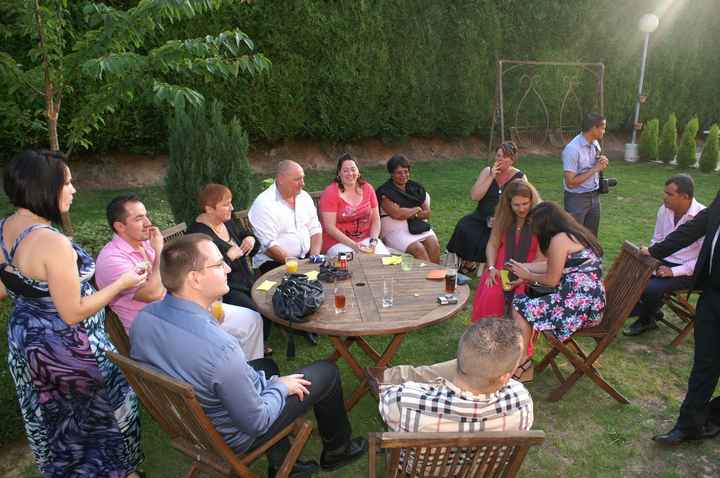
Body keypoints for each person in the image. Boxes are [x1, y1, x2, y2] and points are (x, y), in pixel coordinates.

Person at [130, 234, 367, 476]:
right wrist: (279, 387)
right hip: (235, 434)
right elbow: (257, 421)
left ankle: (284, 464)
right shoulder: (222, 349)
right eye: (218, 263)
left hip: (190, 424)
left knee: (266, 365)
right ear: (195, 279)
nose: (227, 267)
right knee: (326, 373)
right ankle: (339, 450)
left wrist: (270, 382)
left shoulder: (144, 319)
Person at [1, 150, 145, 477]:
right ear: (45, 187)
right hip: (72, 353)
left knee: (57, 423)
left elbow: (5, 285)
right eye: (68, 182)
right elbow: (72, 312)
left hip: (29, 347)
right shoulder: (52, 243)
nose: (74, 189)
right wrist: (121, 282)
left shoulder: (4, 227)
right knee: (101, 423)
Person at [98, 194, 264, 360]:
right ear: (120, 226)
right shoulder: (112, 260)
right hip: (159, 328)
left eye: (146, 215)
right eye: (139, 218)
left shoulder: (147, 243)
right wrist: (158, 251)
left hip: (184, 309)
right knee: (223, 344)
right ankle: (230, 374)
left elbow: (177, 275)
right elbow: (152, 294)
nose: (148, 223)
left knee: (251, 319)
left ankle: (249, 371)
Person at [642, 189, 720, 445]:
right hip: (712, 296)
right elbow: (695, 228)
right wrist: (655, 250)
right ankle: (689, 425)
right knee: (704, 363)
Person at [377, 317, 533, 433]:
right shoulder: (522, 403)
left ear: (458, 354)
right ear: (505, 376)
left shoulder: (403, 400)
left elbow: (386, 400)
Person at [508, 202, 606, 375]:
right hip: (589, 302)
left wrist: (527, 276)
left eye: (535, 226)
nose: (534, 231)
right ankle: (523, 358)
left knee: (519, 305)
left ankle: (523, 362)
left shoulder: (559, 240)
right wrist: (525, 267)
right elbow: (552, 265)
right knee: (525, 300)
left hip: (579, 308)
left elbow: (551, 280)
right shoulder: (573, 234)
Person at [186, 184, 267, 358]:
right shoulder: (197, 235)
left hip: (248, 280)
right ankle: (250, 347)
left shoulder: (228, 221)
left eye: (230, 202)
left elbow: (247, 235)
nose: (231, 207)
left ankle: (260, 341)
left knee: (270, 298)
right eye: (226, 204)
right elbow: (202, 272)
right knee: (257, 311)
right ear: (209, 208)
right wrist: (228, 257)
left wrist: (250, 239)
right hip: (226, 290)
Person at [624, 174, 705, 336]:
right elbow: (658, 240)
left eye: (669, 194)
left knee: (651, 288)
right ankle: (650, 311)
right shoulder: (664, 210)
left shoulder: (703, 217)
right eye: (665, 192)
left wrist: (673, 271)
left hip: (689, 270)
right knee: (630, 274)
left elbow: (704, 259)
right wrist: (652, 260)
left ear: (685, 197)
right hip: (664, 261)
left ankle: (646, 319)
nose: (664, 197)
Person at [446, 142, 526, 274]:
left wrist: (505, 219)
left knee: (491, 238)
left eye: (505, 156)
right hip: (481, 216)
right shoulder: (487, 171)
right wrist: (491, 177)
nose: (500, 159)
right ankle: (467, 262)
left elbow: (524, 204)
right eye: (498, 155)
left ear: (512, 160)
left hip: (505, 220)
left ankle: (477, 264)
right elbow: (475, 196)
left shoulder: (519, 177)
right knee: (463, 226)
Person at [471, 179, 543, 322]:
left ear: (532, 201)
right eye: (516, 205)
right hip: (500, 269)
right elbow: (492, 244)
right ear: (508, 204)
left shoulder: (541, 220)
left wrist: (526, 276)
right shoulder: (503, 218)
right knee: (491, 295)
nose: (521, 209)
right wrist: (491, 267)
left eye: (525, 204)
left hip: (527, 272)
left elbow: (541, 258)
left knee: (521, 300)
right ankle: (485, 336)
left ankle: (516, 338)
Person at [249, 160, 323, 274]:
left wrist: (314, 257)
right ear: (281, 179)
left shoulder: (304, 197)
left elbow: (315, 228)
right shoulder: (263, 205)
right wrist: (299, 266)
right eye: (297, 179)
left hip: (306, 259)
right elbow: (269, 247)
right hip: (275, 262)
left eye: (303, 178)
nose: (303, 183)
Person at [319, 153, 389, 256]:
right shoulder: (330, 193)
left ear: (358, 172)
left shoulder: (368, 188)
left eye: (353, 169)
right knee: (351, 261)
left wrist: (373, 242)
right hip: (337, 242)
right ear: (339, 173)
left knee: (383, 258)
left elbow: (376, 219)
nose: (350, 173)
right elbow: (330, 227)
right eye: (345, 170)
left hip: (366, 239)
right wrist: (355, 246)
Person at [375, 154, 441, 263]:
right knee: (418, 249)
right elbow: (397, 215)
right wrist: (416, 209)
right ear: (391, 174)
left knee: (434, 245)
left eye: (406, 171)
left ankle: (437, 277)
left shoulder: (416, 188)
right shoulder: (385, 192)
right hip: (395, 231)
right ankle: (424, 278)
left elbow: (427, 213)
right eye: (399, 172)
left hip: (418, 226)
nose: (403, 175)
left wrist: (407, 213)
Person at [562, 112, 609, 237]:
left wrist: (601, 160)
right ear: (594, 128)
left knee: (591, 238)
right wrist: (595, 169)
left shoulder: (595, 143)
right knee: (574, 238)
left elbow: (593, 165)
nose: (604, 131)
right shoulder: (572, 149)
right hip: (576, 199)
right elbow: (570, 183)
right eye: (603, 128)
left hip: (594, 196)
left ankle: (591, 257)